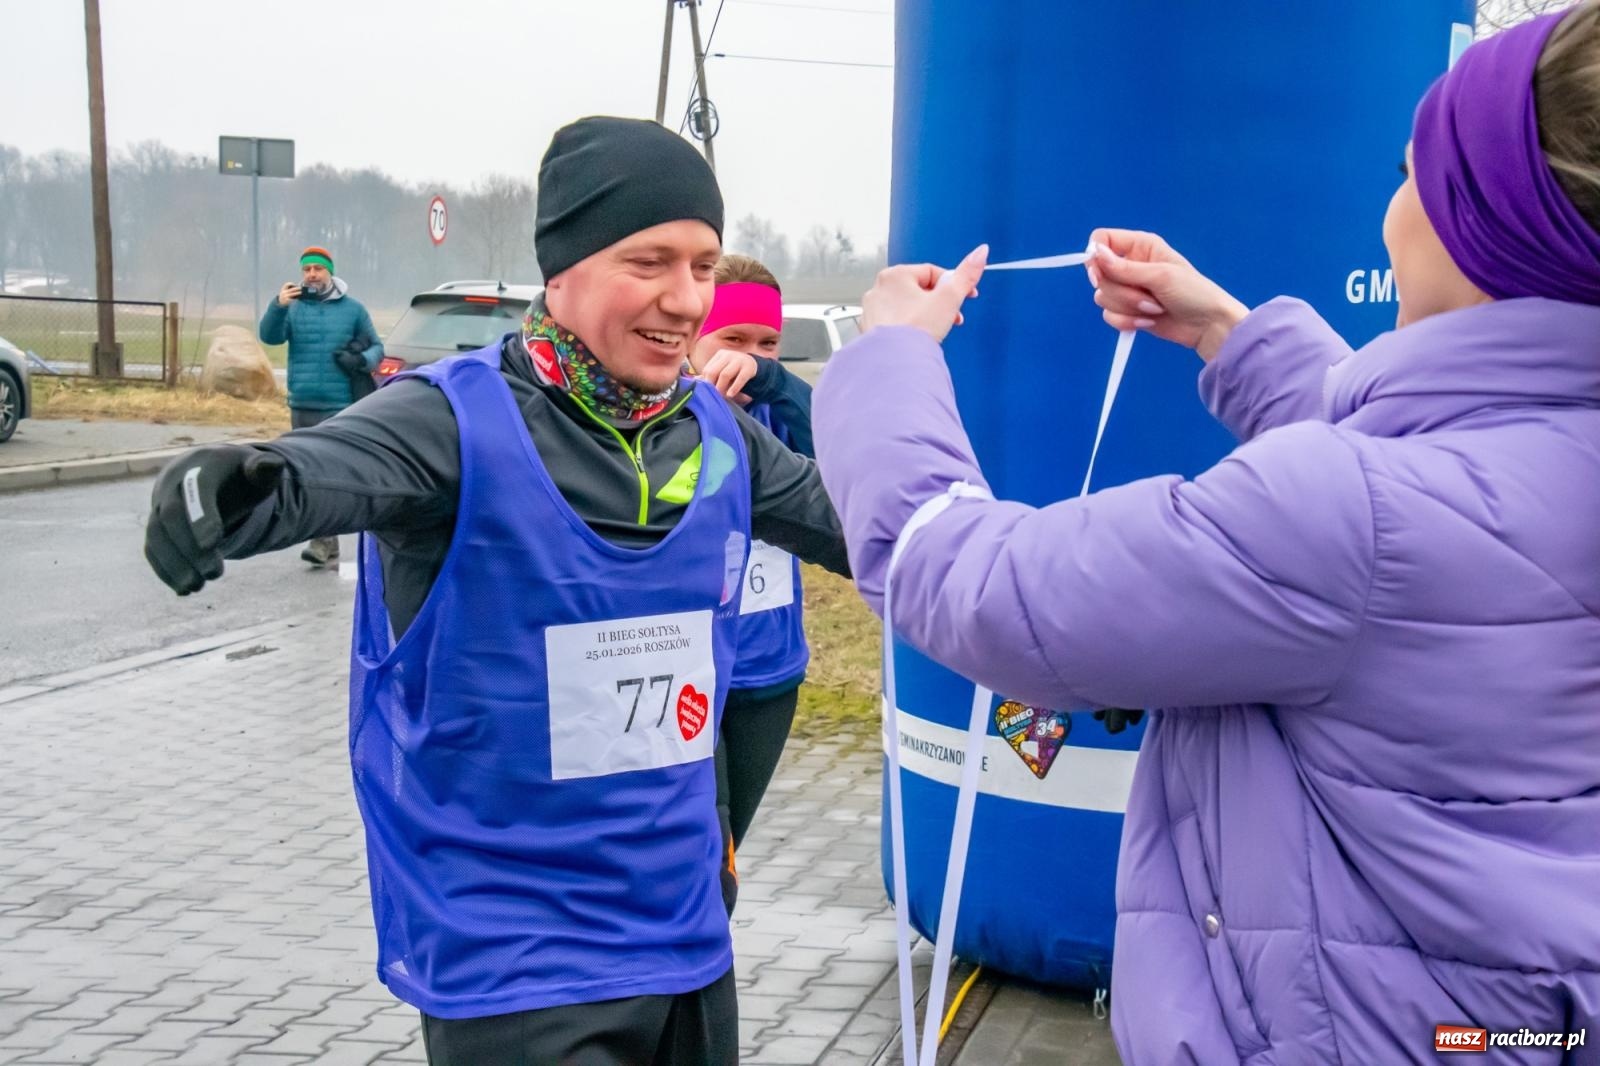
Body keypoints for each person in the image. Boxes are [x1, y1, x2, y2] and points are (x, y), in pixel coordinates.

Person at [812, 8, 1600, 1064]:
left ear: (1480, 220)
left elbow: (974, 582)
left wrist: (890, 366)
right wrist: (1228, 333)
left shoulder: (1348, 519)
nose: (1388, 215)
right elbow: (1437, 501)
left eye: (1411, 176)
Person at [146, 116, 849, 1066]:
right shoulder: (452, 421)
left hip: (680, 937)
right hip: (516, 963)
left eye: (704, 266)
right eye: (650, 261)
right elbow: (317, 471)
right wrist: (232, 486)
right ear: (562, 269)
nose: (686, 300)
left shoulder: (717, 437)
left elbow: (880, 536)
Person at [688, 256, 818, 911]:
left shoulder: (780, 412)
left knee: (726, 851)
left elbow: (844, 458)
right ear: (692, 337)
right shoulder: (667, 408)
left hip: (767, 676)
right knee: (701, 862)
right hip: (687, 678)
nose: (749, 356)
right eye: (731, 340)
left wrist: (774, 380)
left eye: (766, 343)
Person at [258, 245, 384, 567]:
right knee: (304, 472)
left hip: (339, 404)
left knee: (329, 473)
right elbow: (269, 337)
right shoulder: (294, 308)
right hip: (302, 401)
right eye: (306, 270)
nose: (311, 275)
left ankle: (322, 541)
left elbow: (377, 348)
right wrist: (277, 306)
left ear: (330, 272)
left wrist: (359, 360)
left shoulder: (353, 310)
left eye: (317, 269)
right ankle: (326, 542)